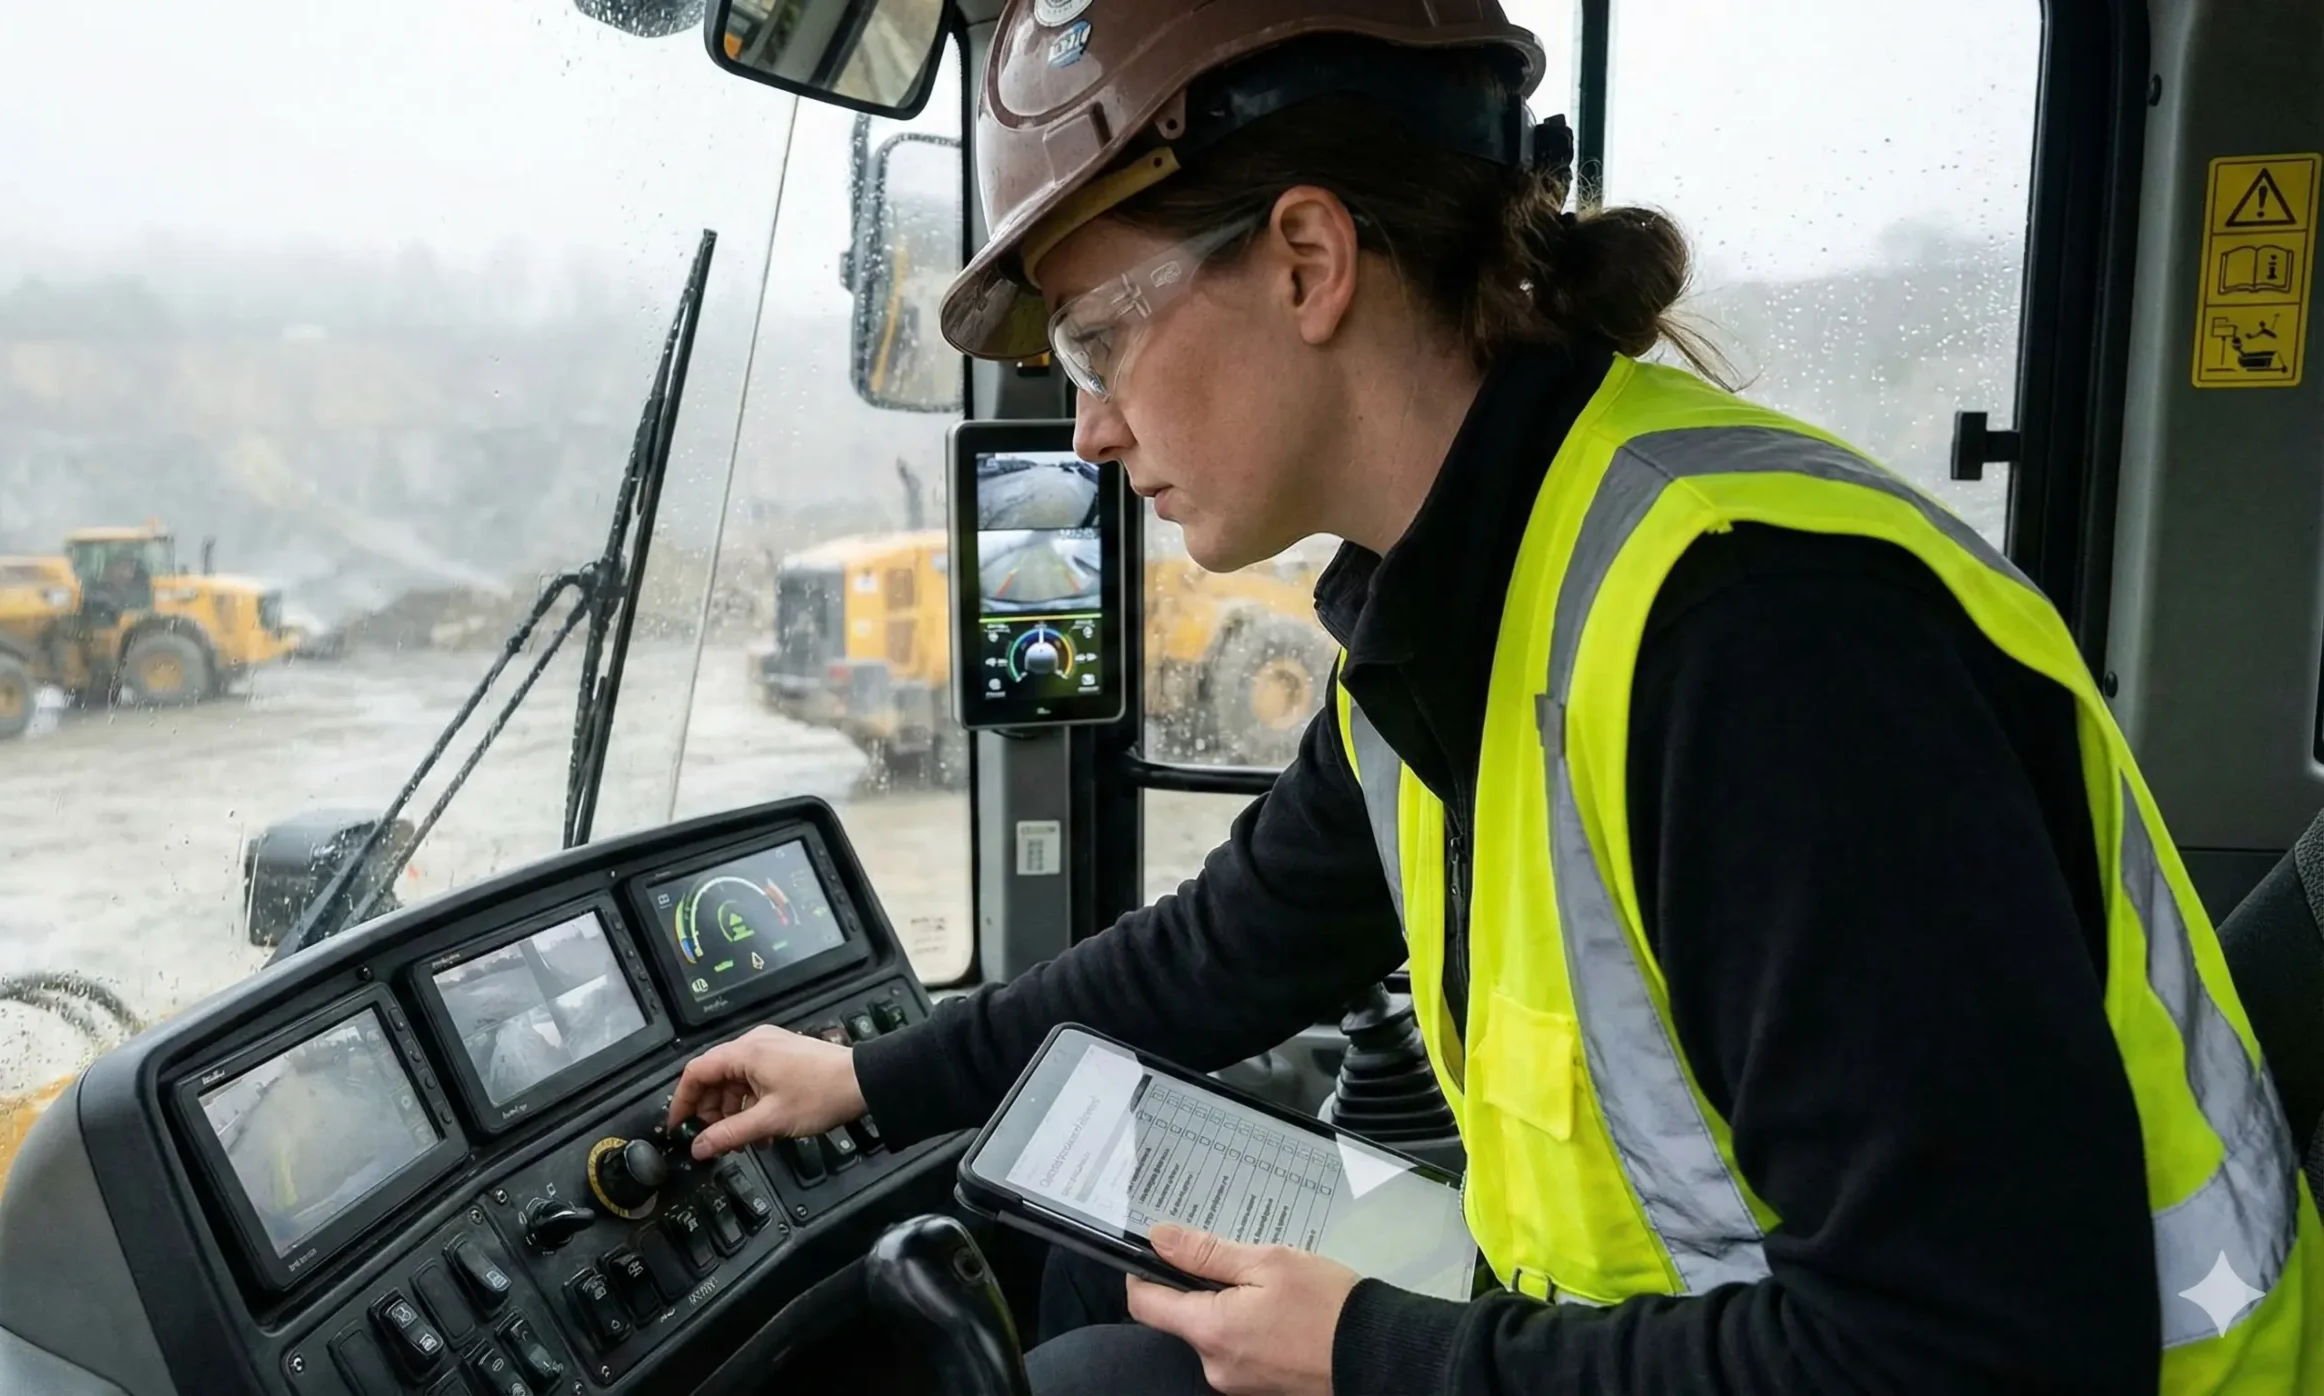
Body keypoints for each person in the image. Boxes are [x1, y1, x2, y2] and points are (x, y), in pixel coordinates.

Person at [668, 2, 2323, 1391]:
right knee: (1111, 1295)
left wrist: (1384, 1361)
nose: (1086, 430)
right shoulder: (1467, 598)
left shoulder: (1761, 643)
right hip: (1685, 1331)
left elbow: (1993, 1344)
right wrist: (872, 1081)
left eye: (1098, 343)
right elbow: (1232, 946)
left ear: (1310, 260)